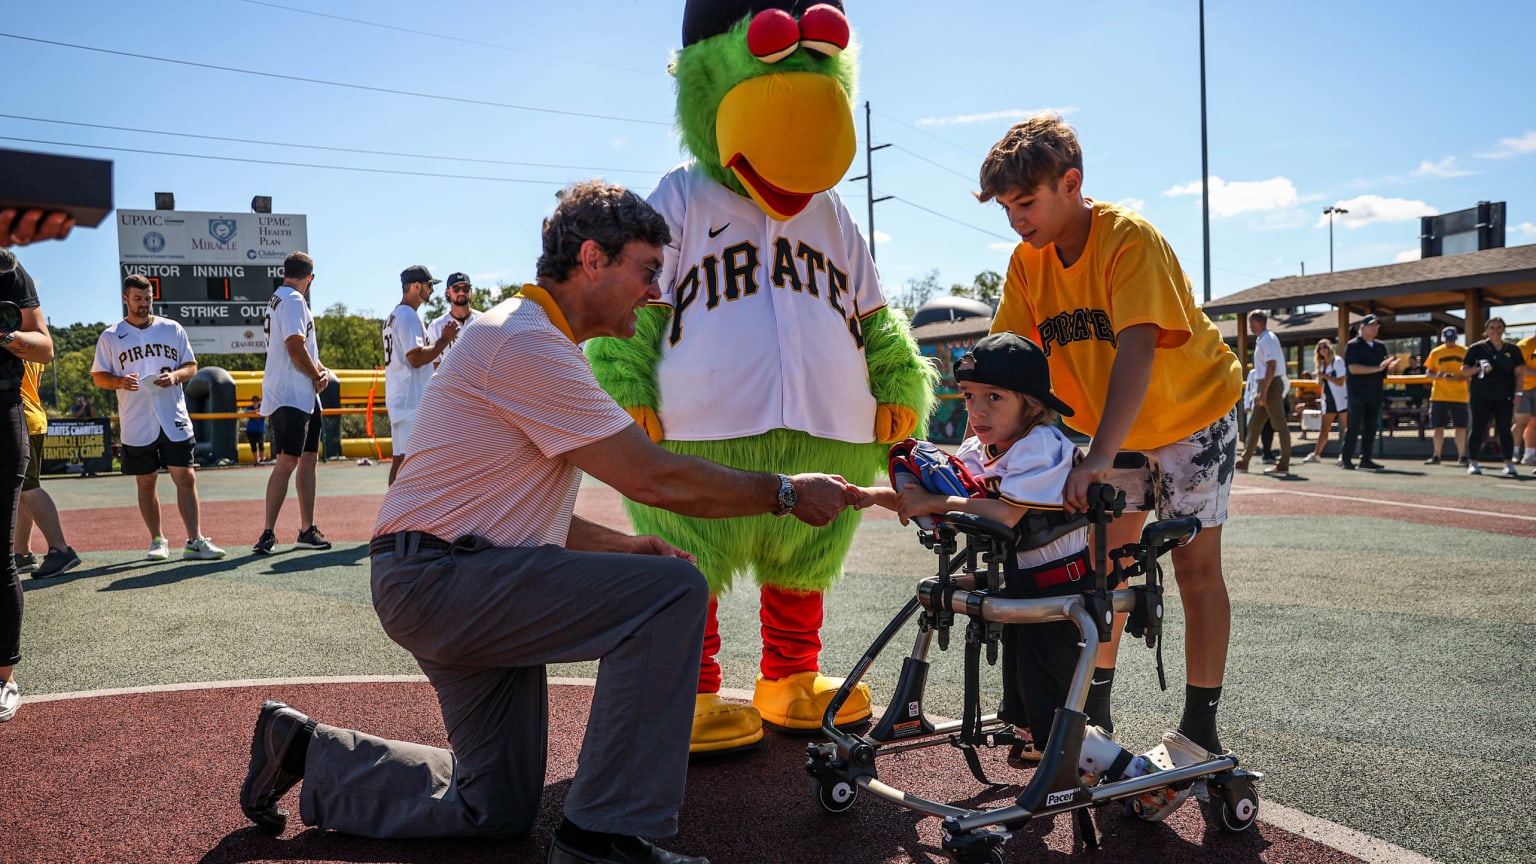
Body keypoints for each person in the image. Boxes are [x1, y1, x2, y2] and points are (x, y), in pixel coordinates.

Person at [236, 180, 858, 864]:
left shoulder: (523, 337)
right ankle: (603, 837)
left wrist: (628, 547)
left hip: (447, 575)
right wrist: (786, 493)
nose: (658, 293)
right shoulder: (524, 341)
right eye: (648, 271)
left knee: (492, 807)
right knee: (674, 596)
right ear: (593, 258)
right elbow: (653, 474)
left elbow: (523, 515)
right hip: (445, 580)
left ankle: (303, 750)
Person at [980, 114, 1243, 759]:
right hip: (1112, 432)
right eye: (1007, 207)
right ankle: (1088, 716)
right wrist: (982, 444)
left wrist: (1095, 457)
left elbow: (1136, 352)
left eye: (1027, 202)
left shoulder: (1128, 239)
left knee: (1195, 569)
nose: (1017, 219)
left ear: (1071, 184)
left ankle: (1199, 727)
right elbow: (1008, 360)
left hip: (1191, 417)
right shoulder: (1026, 262)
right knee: (1103, 573)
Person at [91, 276, 226, 562]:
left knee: (186, 477)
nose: (143, 303)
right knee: (146, 481)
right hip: (136, 419)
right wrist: (118, 381)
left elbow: (191, 365)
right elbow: (99, 377)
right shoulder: (111, 336)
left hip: (172, 415)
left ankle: (194, 540)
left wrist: (175, 376)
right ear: (125, 299)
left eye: (148, 298)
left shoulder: (171, 328)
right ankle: (157, 539)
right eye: (138, 298)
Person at [0, 257, 54, 722]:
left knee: (1, 556)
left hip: (4, 415)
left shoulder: (9, 272)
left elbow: (44, 347)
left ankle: (5, 679)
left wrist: (5, 335)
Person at [255, 252, 331, 555]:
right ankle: (268, 532)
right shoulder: (293, 300)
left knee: (308, 459)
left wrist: (320, 369)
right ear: (309, 277)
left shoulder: (280, 297)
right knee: (287, 461)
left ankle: (306, 529)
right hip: (291, 393)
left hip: (301, 394)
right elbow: (294, 345)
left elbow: (304, 346)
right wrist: (316, 374)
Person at [382, 265, 456, 485]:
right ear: (416, 286)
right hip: (409, 401)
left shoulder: (395, 315)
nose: (431, 290)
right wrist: (444, 339)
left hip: (402, 398)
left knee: (401, 459)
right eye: (428, 285)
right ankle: (396, 514)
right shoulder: (407, 315)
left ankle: (395, 513)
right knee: (407, 461)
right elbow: (415, 358)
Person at [14, 360, 80, 579]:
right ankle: (21, 553)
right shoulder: (29, 342)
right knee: (22, 488)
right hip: (32, 416)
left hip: (17, 418)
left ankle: (60, 549)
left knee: (28, 488)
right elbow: (36, 383)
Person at [1460, 317, 1525, 477]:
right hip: (1480, 396)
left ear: (1503, 329)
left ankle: (1509, 463)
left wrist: (1519, 393)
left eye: (1499, 327)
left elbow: (1519, 374)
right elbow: (1464, 370)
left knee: (1504, 429)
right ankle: (1473, 462)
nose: (1495, 330)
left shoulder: (1513, 349)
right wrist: (1478, 368)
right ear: (1486, 330)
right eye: (1492, 327)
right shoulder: (1477, 348)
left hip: (1504, 396)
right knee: (1477, 428)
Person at [1339, 315, 1397, 470]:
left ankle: (1366, 459)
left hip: (1375, 392)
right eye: (1372, 325)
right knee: (1354, 427)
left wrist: (1389, 367)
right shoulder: (1353, 345)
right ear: (1362, 327)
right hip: (1357, 393)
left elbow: (1382, 369)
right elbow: (1353, 368)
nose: (1375, 328)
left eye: (1377, 326)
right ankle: (1346, 459)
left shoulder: (1380, 346)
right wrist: (1378, 368)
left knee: (1371, 427)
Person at [1236, 311, 1291, 475]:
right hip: (1265, 384)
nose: (1250, 326)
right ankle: (1245, 460)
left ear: (1258, 322)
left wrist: (1264, 391)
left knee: (1279, 423)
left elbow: (1272, 365)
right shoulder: (1263, 339)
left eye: (1251, 322)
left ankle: (1284, 462)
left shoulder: (1268, 339)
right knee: (1253, 424)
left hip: (1270, 384)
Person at [1423, 327, 1468, 466]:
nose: (1450, 343)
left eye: (1452, 340)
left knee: (1460, 427)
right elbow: (1428, 372)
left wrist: (1458, 377)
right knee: (1438, 427)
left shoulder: (1465, 351)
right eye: (1447, 340)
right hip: (1439, 395)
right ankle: (1436, 455)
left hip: (1460, 396)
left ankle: (1462, 456)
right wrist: (1436, 375)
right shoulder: (1436, 352)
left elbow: (1471, 372)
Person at [425, 271, 481, 368]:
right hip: (448, 382)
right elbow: (434, 364)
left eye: (465, 288)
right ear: (448, 292)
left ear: (471, 291)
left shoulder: (484, 321)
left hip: (479, 382)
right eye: (456, 288)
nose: (461, 292)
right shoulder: (436, 326)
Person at [1305, 339, 1347, 463]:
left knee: (1346, 428)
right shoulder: (1321, 365)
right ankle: (1316, 455)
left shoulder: (1338, 361)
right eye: (1320, 348)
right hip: (1328, 399)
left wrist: (1324, 376)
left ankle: (1345, 455)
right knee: (1324, 428)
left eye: (1325, 347)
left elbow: (1340, 381)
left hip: (1342, 399)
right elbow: (1320, 384)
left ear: (1330, 348)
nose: (1323, 349)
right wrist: (1319, 376)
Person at [1511, 331, 1536, 467]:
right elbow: (1520, 369)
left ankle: (1529, 454)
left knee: (1534, 421)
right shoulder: (1524, 346)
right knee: (1522, 419)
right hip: (1522, 387)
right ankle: (1513, 452)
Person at [244, 395, 267, 464]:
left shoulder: (263, 407)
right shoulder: (249, 408)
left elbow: (266, 410)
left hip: (260, 430)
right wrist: (254, 411)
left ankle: (262, 459)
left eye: (256, 401)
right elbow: (246, 411)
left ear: (258, 402)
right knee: (253, 445)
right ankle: (256, 460)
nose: (255, 403)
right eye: (254, 401)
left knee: (261, 445)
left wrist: (259, 410)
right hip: (250, 430)